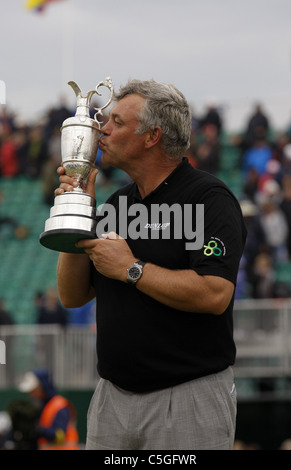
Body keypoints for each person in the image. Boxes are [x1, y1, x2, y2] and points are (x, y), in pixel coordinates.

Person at [55, 79, 247, 450]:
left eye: (117, 122)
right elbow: (71, 295)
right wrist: (79, 213)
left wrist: (132, 269)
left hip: (188, 397)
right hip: (112, 395)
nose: (102, 129)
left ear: (152, 136)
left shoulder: (209, 198)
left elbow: (214, 294)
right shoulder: (114, 204)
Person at [18, 369, 79, 450]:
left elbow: (60, 435)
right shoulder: (43, 406)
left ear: (43, 386)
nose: (30, 394)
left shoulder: (60, 406)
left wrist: (36, 429)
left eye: (33, 390)